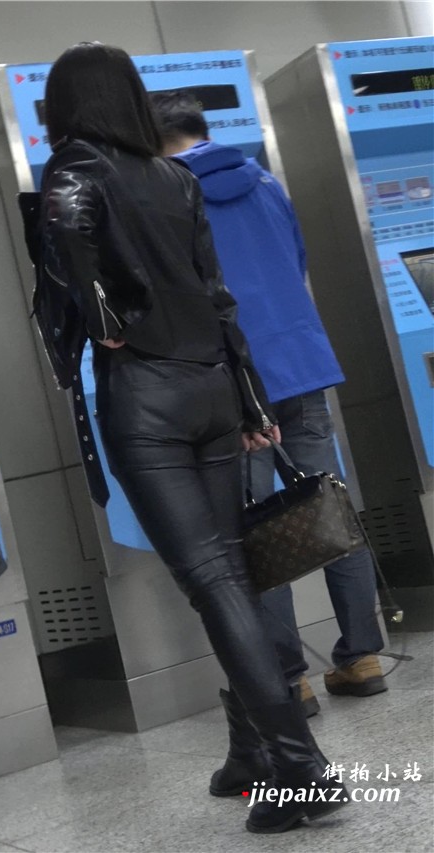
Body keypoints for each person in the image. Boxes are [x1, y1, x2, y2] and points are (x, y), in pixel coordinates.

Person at [25, 42, 350, 835]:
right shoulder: (173, 177)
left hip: (149, 396)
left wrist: (107, 320)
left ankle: (300, 768)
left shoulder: (74, 166)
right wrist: (249, 399)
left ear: (67, 105)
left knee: (213, 580)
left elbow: (66, 234)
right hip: (211, 387)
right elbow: (217, 295)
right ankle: (250, 750)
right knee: (229, 571)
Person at [152, 89, 386, 787]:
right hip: (302, 360)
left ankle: (289, 679)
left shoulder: (169, 194)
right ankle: (362, 656)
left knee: (254, 528)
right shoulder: (264, 180)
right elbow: (297, 260)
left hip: (237, 380)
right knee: (329, 504)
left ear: (155, 140)